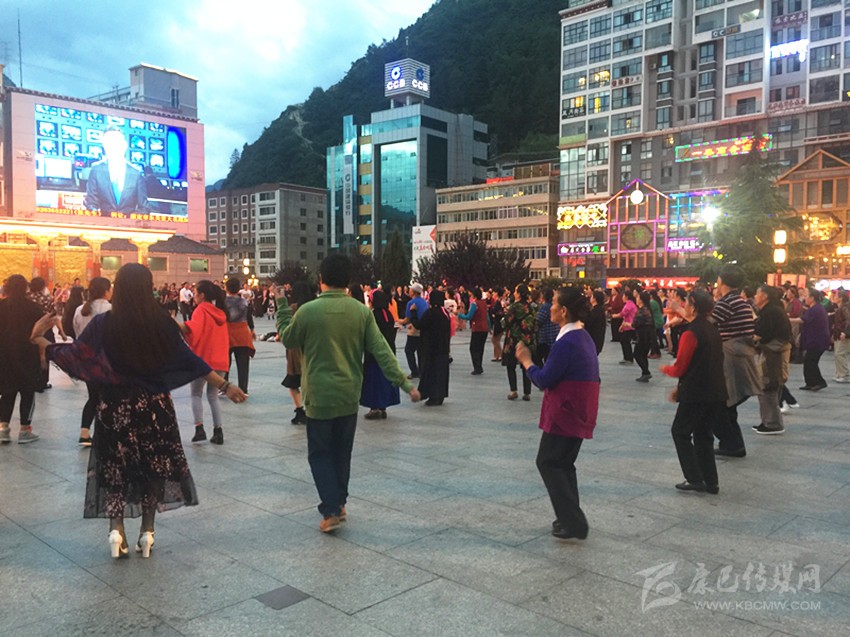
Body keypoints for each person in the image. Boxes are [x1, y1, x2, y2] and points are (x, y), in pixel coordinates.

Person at [32, 264, 245, 559]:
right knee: (153, 468)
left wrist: (41, 340)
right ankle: (147, 532)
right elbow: (190, 361)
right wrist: (225, 385)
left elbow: (77, 355)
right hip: (154, 407)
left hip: (114, 407)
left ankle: (116, 530)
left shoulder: (104, 323)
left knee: (115, 468)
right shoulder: (162, 323)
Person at [276, 254, 420, 533]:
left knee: (320, 454)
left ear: (321, 279)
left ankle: (331, 509)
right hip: (348, 396)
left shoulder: (307, 311)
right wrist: (405, 384)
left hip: (318, 397)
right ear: (348, 280)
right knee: (342, 453)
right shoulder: (361, 312)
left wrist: (282, 305)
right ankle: (339, 503)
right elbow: (382, 351)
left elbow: (288, 338)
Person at [515, 287, 600, 540]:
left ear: (563, 311)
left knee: (548, 462)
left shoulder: (567, 342)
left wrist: (526, 361)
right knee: (563, 464)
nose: (549, 306)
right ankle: (568, 517)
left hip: (566, 413)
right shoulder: (582, 336)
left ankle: (574, 522)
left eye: (552, 302)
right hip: (578, 411)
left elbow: (544, 379)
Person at [660, 290, 725, 494]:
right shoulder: (712, 329)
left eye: (687, 303)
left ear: (694, 307)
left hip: (696, 393)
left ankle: (694, 478)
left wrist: (666, 369)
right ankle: (711, 481)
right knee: (704, 435)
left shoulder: (691, 333)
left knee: (680, 432)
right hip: (715, 390)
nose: (685, 306)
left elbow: (681, 367)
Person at [711, 265, 761, 459]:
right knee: (727, 405)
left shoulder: (727, 302)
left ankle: (732, 444)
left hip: (730, 357)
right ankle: (734, 445)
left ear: (722, 281)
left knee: (720, 405)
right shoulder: (741, 302)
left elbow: (707, 323)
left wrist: (680, 309)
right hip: (740, 355)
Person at [178, 280, 230, 445]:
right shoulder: (220, 312)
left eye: (195, 293)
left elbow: (193, 329)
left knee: (196, 394)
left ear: (202, 295)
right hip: (220, 359)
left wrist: (177, 325)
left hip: (203, 360)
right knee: (213, 396)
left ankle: (199, 429)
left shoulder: (201, 310)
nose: (194, 296)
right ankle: (218, 431)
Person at [0, 275, 45, 444]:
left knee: (6, 392)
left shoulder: (1, 306)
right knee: (27, 392)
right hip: (28, 355)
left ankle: (3, 429)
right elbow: (41, 333)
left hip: (4, 356)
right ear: (25, 288)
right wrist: (43, 356)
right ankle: (25, 430)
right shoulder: (34, 308)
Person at [74, 277, 113, 446]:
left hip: (86, 361)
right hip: (107, 361)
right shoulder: (111, 309)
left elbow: (77, 333)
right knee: (107, 398)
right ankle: (105, 434)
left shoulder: (80, 310)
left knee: (93, 397)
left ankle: (85, 432)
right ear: (106, 291)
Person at [752, 285, 791, 435]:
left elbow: (762, 333)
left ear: (765, 296)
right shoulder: (772, 310)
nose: (755, 296)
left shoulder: (771, 311)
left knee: (768, 386)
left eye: (758, 293)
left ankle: (772, 423)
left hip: (773, 353)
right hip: (772, 351)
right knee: (768, 387)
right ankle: (767, 421)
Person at [84, 127, 150, 214]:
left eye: (115, 142)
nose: (112, 146)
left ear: (124, 145)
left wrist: (130, 220)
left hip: (129, 222)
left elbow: (144, 208)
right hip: (104, 222)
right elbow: (91, 203)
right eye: (109, 143)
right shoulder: (96, 170)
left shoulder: (136, 173)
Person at [361, 288, 401, 419]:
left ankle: (375, 408)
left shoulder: (373, 315)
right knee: (384, 380)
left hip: (374, 354)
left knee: (374, 381)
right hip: (388, 352)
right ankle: (383, 407)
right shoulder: (388, 314)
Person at [410, 289, 451, 406]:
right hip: (443, 348)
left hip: (431, 349)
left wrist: (413, 313)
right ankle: (440, 395)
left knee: (431, 372)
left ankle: (432, 396)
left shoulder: (431, 313)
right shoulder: (445, 313)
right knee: (441, 373)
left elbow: (419, 325)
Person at [282, 281, 315, 425]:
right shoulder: (315, 307)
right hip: (312, 347)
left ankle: (300, 409)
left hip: (295, 349)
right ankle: (311, 408)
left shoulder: (293, 309)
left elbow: (285, 328)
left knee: (293, 381)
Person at [502, 284, 537, 401]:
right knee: (526, 365)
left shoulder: (514, 307)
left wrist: (503, 317)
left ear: (519, 294)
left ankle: (513, 390)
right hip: (527, 338)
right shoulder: (531, 307)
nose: (514, 293)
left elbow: (506, 322)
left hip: (514, 338)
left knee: (511, 365)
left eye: (516, 291)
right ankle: (527, 392)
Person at [224, 277, 255, 395]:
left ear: (226, 288)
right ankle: (243, 388)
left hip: (227, 333)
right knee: (243, 364)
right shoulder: (244, 302)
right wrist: (252, 329)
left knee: (225, 362)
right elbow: (249, 317)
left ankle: (224, 387)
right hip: (242, 333)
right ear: (239, 289)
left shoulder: (223, 302)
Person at [799, 289, 830, 391]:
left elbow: (803, 320)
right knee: (809, 361)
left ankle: (820, 382)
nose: (805, 298)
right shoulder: (814, 308)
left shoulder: (816, 309)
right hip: (814, 339)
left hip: (817, 340)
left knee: (811, 361)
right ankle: (810, 382)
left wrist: (788, 320)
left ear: (812, 298)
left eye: (806, 296)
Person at [457, 287, 490, 375]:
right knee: (480, 348)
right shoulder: (484, 303)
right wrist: (489, 327)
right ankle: (479, 365)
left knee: (473, 348)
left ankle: (477, 367)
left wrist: (459, 315)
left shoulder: (474, 304)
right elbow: (487, 317)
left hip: (477, 328)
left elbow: (469, 316)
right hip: (484, 328)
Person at [401, 283, 428, 379]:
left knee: (409, 350)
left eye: (410, 289)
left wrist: (398, 321)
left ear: (414, 292)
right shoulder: (425, 302)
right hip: (424, 330)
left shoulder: (411, 303)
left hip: (414, 330)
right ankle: (421, 371)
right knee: (420, 351)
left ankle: (414, 371)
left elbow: (407, 319)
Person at [632, 291, 655, 382]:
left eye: (638, 297)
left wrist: (627, 324)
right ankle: (644, 374)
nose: (636, 299)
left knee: (637, 354)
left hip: (643, 336)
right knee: (643, 355)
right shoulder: (646, 309)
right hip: (647, 335)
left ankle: (646, 372)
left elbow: (636, 323)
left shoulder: (642, 311)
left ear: (641, 300)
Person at [535, 289, 559, 367]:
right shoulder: (553, 306)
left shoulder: (545, 307)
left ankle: (543, 371)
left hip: (545, 337)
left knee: (537, 358)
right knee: (548, 359)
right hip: (553, 335)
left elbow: (538, 320)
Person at [614, 288, 637, 364]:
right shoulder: (629, 304)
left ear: (626, 297)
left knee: (625, 340)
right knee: (624, 340)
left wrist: (614, 316)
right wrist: (622, 326)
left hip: (630, 326)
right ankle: (627, 357)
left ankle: (629, 358)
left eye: (623, 296)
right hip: (628, 326)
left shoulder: (629, 305)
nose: (622, 298)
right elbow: (625, 317)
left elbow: (622, 314)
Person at [832, 289, 850, 383]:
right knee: (839, 354)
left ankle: (845, 375)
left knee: (840, 353)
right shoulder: (842, 307)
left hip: (843, 334)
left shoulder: (844, 308)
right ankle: (840, 373)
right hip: (839, 333)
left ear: (841, 298)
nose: (834, 297)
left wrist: (845, 332)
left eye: (836, 296)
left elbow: (848, 320)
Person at [585, 290, 606, 355]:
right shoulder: (599, 309)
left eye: (592, 296)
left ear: (595, 299)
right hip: (598, 339)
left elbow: (589, 323)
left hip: (594, 338)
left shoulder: (596, 311)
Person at [489, 289, 505, 361]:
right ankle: (497, 355)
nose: (493, 293)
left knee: (495, 339)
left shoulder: (499, 301)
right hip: (497, 321)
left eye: (494, 292)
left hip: (499, 322)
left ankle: (501, 355)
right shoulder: (498, 301)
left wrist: (494, 313)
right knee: (495, 339)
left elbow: (500, 311)